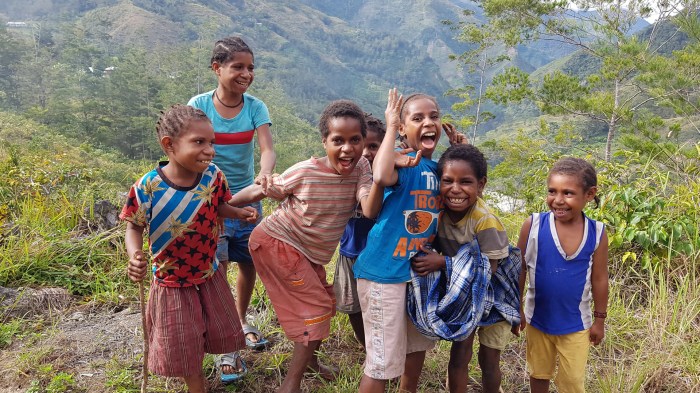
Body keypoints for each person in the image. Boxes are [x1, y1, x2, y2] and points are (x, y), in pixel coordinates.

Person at [229, 100, 384, 393]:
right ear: (324, 141)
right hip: (277, 242)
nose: (347, 149)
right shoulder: (304, 171)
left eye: (355, 140)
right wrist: (223, 205)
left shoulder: (362, 168)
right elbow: (261, 189)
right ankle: (291, 384)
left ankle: (309, 360)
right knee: (314, 310)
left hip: (309, 253)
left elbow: (369, 205)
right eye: (338, 140)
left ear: (364, 142)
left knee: (325, 303)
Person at [121, 104, 260, 392]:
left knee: (214, 329)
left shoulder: (213, 176)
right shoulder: (147, 188)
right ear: (169, 145)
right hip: (172, 283)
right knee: (184, 345)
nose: (209, 150)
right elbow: (133, 226)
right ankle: (196, 385)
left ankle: (219, 361)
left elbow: (218, 206)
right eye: (199, 142)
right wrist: (134, 255)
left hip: (209, 274)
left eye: (211, 143)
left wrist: (238, 213)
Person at [353, 89, 465, 393]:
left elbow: (463, 187)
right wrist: (390, 126)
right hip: (384, 275)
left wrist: (459, 152)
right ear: (404, 128)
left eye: (434, 116)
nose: (428, 122)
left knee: (416, 348)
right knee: (381, 363)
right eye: (417, 118)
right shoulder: (402, 163)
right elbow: (379, 175)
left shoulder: (436, 168)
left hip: (417, 276)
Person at [187, 36, 275, 380]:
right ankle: (227, 346)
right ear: (217, 68)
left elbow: (266, 148)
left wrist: (264, 178)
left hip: (249, 197)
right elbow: (188, 145)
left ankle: (239, 322)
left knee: (248, 262)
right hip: (212, 204)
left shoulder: (255, 107)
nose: (246, 73)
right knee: (218, 270)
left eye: (250, 67)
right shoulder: (199, 104)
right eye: (238, 66)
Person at [410, 143, 521, 393]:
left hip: (495, 295)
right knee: (459, 356)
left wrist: (443, 263)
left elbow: (487, 272)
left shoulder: (485, 221)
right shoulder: (438, 213)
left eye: (466, 182)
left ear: (481, 185)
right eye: (447, 180)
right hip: (465, 296)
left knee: (488, 360)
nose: (455, 189)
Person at [517, 157, 609, 393]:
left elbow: (599, 278)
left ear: (589, 194)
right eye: (552, 191)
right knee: (538, 374)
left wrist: (599, 320)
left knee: (572, 383)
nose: (558, 200)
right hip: (538, 320)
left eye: (568, 193)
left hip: (576, 324)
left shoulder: (597, 232)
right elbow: (520, 268)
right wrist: (516, 307)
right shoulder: (534, 225)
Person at [333, 113, 386, 350]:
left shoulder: (389, 179)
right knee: (351, 304)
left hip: (380, 256)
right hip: (349, 251)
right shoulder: (344, 175)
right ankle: (367, 346)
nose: (366, 153)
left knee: (381, 306)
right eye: (362, 146)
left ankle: (382, 346)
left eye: (373, 146)